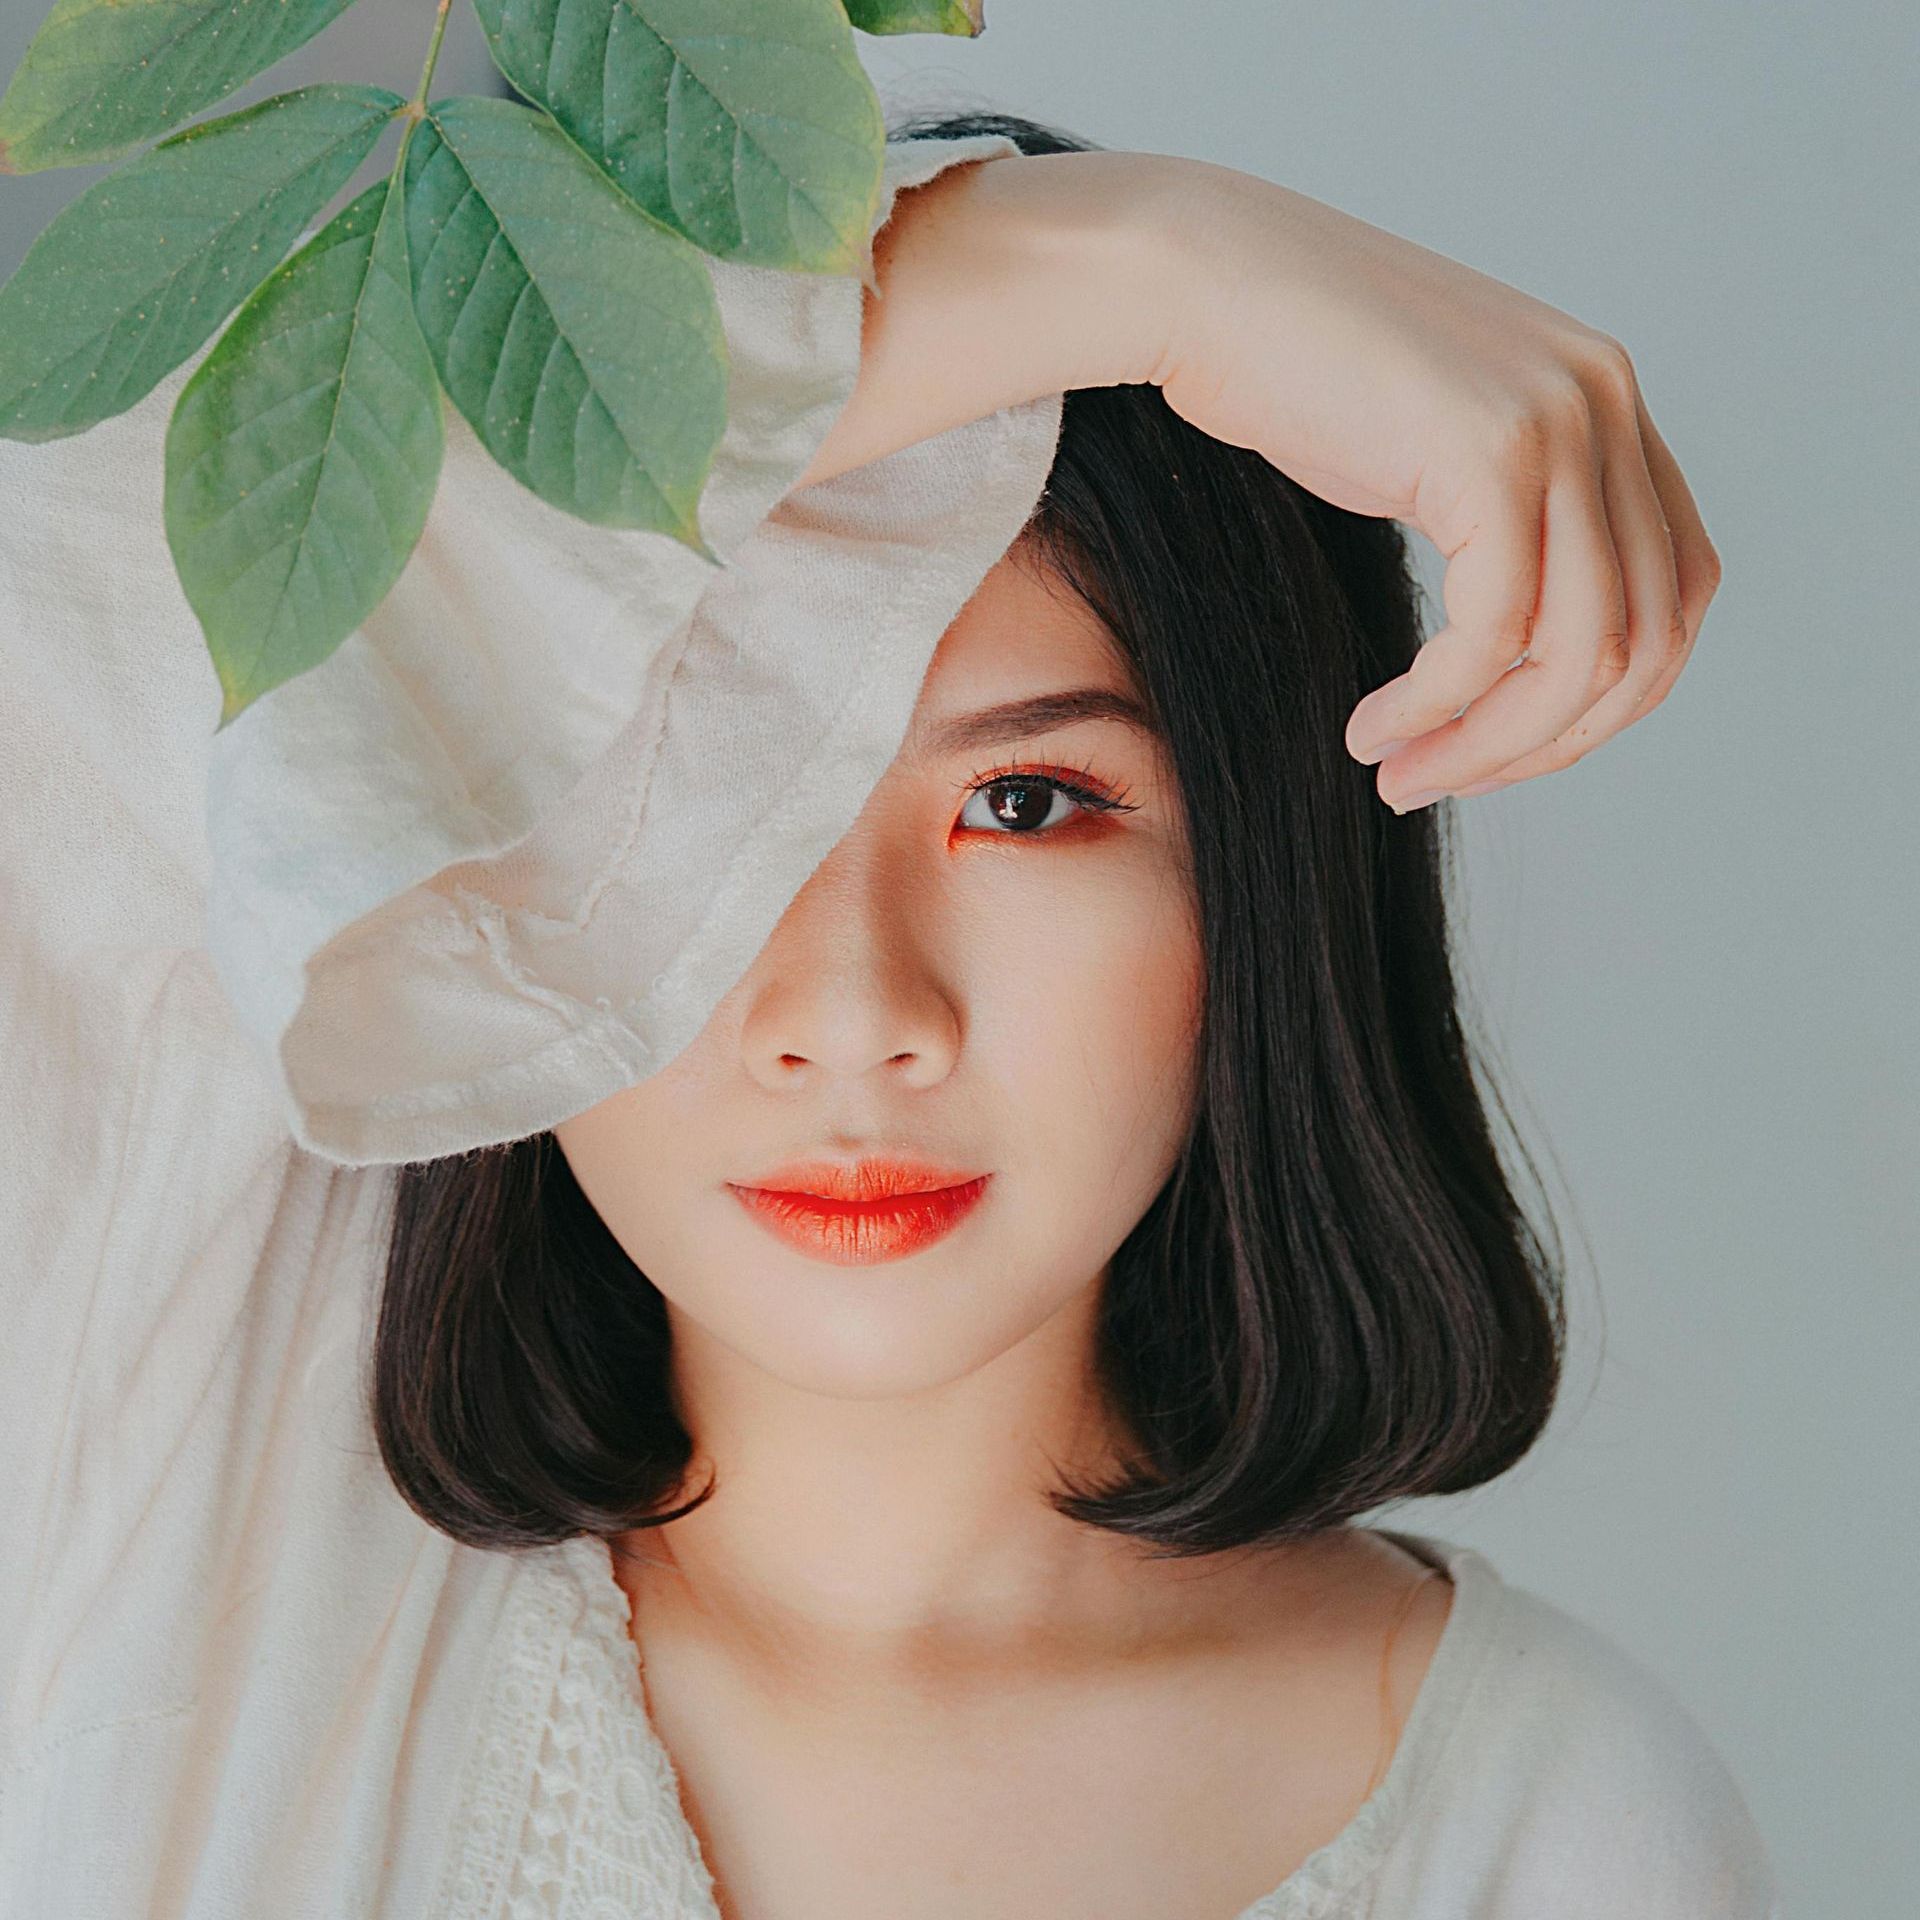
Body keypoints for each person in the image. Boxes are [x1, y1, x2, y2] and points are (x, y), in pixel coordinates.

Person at [0, 103, 1772, 1920]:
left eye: (1027, 806)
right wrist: (1144, 264)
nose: (853, 1016)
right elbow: (84, 605)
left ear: (1265, 883)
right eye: (689, 801)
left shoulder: (1557, 1827)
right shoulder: (176, 1538)